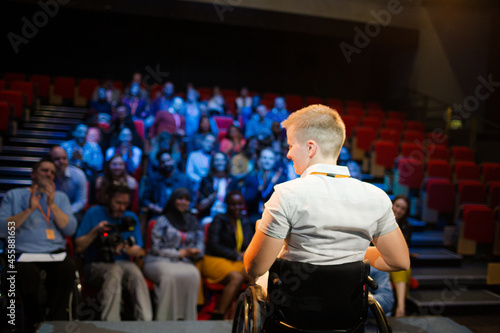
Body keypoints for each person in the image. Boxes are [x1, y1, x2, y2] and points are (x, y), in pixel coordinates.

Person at [243, 104, 409, 291]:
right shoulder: (377, 197)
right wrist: (349, 254)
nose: (288, 154)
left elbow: (254, 267)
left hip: (294, 311)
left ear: (310, 148)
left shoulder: (285, 194)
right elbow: (399, 260)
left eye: (291, 145)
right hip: (348, 311)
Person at [0, 158, 77, 332]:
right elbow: (3, 229)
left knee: (67, 268)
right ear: (33, 174)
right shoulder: (14, 195)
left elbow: (70, 229)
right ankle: (34, 321)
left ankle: (56, 322)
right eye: (44, 170)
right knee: (24, 272)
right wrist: (30, 209)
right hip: (23, 252)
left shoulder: (61, 198)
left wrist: (52, 205)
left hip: (54, 253)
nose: (49, 174)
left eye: (51, 172)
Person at [75, 184, 152, 321]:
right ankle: (111, 324)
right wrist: (96, 231)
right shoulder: (93, 213)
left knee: (136, 274)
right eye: (118, 203)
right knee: (114, 271)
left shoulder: (130, 217)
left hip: (124, 262)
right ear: (107, 199)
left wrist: (123, 247)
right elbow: (78, 247)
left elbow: (139, 251)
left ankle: (145, 322)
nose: (122, 207)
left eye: (125, 204)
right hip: (96, 263)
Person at [142, 188, 204, 321]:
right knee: (170, 276)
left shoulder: (193, 221)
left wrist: (195, 252)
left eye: (187, 199)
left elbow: (200, 243)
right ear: (173, 201)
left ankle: (187, 320)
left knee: (193, 273)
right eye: (180, 198)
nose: (183, 202)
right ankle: (165, 320)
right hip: (158, 259)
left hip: (184, 261)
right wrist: (179, 253)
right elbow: (155, 247)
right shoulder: (162, 220)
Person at [199, 191, 255, 319]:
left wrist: (245, 254)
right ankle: (218, 314)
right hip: (215, 259)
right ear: (227, 205)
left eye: (239, 204)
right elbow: (214, 246)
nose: (237, 208)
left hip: (236, 261)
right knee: (236, 278)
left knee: (255, 274)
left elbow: (250, 244)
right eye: (233, 204)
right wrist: (236, 255)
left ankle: (250, 313)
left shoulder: (245, 222)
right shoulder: (219, 220)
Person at [242, 148, 287, 224]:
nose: (267, 161)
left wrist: (273, 185)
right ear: (259, 160)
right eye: (264, 158)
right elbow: (247, 200)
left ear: (274, 161)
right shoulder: (251, 178)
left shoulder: (280, 179)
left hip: (273, 219)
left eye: (271, 159)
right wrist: (258, 190)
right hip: (254, 217)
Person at [140, 150, 191, 217]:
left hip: (179, 215)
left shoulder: (184, 179)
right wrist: (155, 208)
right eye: (162, 162)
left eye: (168, 161)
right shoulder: (153, 178)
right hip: (158, 214)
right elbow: (144, 200)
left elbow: (192, 201)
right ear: (159, 164)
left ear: (173, 161)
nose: (166, 164)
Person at [49, 145, 88, 222]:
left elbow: (81, 201)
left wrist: (65, 213)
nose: (62, 162)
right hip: (50, 212)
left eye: (64, 158)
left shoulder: (78, 174)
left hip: (72, 212)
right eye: (57, 159)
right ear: (50, 161)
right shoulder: (46, 175)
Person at [389, 195, 413, 317]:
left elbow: (404, 250)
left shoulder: (407, 227)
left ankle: (400, 308)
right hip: (380, 259)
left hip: (396, 261)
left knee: (402, 268)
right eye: (397, 206)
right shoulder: (380, 221)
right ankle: (401, 308)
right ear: (392, 205)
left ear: (406, 212)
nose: (398, 210)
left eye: (402, 208)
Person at [197, 152, 236, 224]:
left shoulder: (232, 181)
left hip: (227, 215)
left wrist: (227, 191)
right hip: (210, 216)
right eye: (217, 160)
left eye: (222, 160)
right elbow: (200, 206)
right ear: (213, 163)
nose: (220, 162)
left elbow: (236, 204)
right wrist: (214, 195)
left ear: (226, 162)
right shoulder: (206, 180)